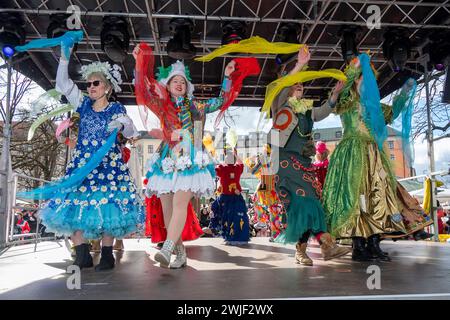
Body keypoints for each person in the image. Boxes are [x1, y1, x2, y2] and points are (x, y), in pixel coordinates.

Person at [133, 43, 258, 268]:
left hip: (190, 158)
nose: (179, 84)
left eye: (183, 82)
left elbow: (220, 101)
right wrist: (138, 64)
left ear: (187, 87)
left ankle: (168, 248)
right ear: (168, 86)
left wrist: (227, 77)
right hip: (166, 158)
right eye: (175, 81)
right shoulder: (161, 106)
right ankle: (180, 252)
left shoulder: (196, 106)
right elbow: (142, 91)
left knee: (181, 203)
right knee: (168, 210)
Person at [21, 40, 143, 271]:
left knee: (109, 207)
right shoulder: (84, 105)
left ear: (107, 87)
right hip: (82, 165)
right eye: (88, 84)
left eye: (96, 83)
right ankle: (83, 254)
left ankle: (107, 255)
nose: (91, 87)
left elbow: (131, 132)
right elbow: (62, 84)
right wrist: (64, 57)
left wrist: (122, 124)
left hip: (108, 166)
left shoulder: (116, 109)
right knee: (75, 205)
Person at [323, 54, 422, 261]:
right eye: (363, 79)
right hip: (351, 155)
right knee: (356, 198)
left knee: (378, 197)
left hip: (373, 156)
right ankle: (359, 245)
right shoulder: (347, 101)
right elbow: (341, 92)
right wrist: (354, 69)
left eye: (370, 81)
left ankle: (374, 243)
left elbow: (393, 112)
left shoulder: (375, 108)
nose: (367, 84)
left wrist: (404, 93)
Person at [267, 46, 351, 266]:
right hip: (285, 163)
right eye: (295, 84)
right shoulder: (280, 106)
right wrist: (300, 65)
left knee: (310, 203)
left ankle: (310, 249)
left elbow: (323, 112)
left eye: (301, 84)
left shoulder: (307, 109)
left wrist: (334, 95)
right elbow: (283, 87)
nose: (299, 86)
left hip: (304, 164)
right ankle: (325, 245)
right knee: (303, 204)